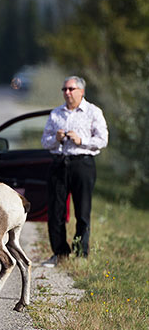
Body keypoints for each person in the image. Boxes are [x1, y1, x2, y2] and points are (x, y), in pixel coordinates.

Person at [40, 76, 108, 268]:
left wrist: (81, 141)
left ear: (81, 91)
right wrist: (57, 138)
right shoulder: (56, 114)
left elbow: (102, 140)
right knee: (55, 211)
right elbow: (45, 142)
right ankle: (60, 253)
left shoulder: (93, 112)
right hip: (60, 163)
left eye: (71, 89)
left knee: (82, 211)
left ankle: (81, 254)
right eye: (64, 89)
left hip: (82, 163)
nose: (67, 93)